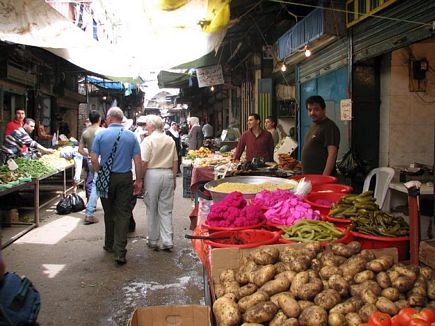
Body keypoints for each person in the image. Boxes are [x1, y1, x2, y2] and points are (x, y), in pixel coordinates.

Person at [91, 107, 142, 265]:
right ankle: (120, 252)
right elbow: (138, 161)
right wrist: (138, 180)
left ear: (109, 118)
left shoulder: (101, 135)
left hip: (106, 178)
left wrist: (101, 171)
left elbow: (93, 159)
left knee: (109, 212)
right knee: (123, 213)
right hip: (124, 178)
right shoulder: (131, 136)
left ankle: (109, 244)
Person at [140, 115, 178, 251]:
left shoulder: (148, 141)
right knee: (166, 209)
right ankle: (168, 240)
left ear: (151, 126)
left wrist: (140, 179)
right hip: (167, 173)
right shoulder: (170, 140)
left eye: (146, 125)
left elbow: (144, 162)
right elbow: (175, 162)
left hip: (152, 174)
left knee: (152, 208)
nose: (145, 127)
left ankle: (153, 239)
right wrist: (173, 179)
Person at [301, 95, 340, 176]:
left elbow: (332, 154)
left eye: (316, 109)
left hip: (321, 179)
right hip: (310, 178)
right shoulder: (314, 125)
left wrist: (324, 178)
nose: (312, 113)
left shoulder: (329, 126)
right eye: (309, 110)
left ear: (324, 109)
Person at [78, 110, 102, 225]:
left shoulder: (85, 132)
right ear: (99, 119)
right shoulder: (102, 131)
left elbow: (80, 149)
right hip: (101, 160)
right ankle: (89, 213)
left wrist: (88, 155)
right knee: (97, 186)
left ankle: (90, 211)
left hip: (91, 161)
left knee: (96, 183)